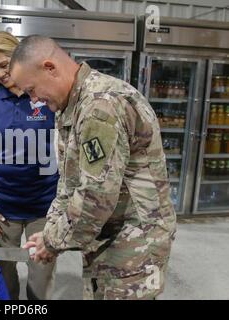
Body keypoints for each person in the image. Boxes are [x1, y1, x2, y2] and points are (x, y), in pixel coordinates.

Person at [10, 35, 177, 300]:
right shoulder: (71, 106)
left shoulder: (101, 106)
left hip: (133, 246)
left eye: (31, 89)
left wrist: (52, 242)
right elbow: (69, 184)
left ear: (50, 68)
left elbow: (94, 197)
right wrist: (51, 230)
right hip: (106, 237)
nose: (34, 100)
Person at [0, 31, 59, 300]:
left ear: (19, 57)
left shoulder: (45, 95)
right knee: (4, 278)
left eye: (4, 64)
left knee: (40, 282)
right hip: (1, 208)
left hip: (43, 206)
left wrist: (61, 205)